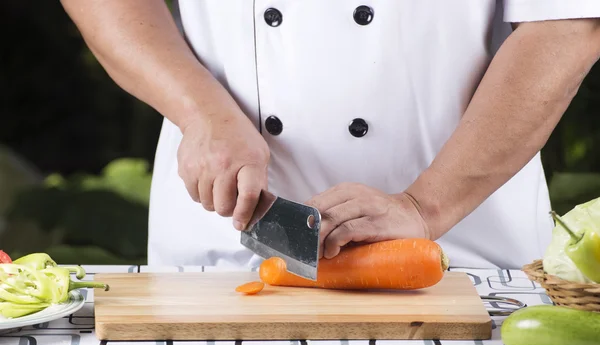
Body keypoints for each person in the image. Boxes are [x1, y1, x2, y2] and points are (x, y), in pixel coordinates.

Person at [60, 0, 600, 270]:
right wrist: (199, 111)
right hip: (224, 252)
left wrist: (426, 205)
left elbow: (568, 20)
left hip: (460, 255)